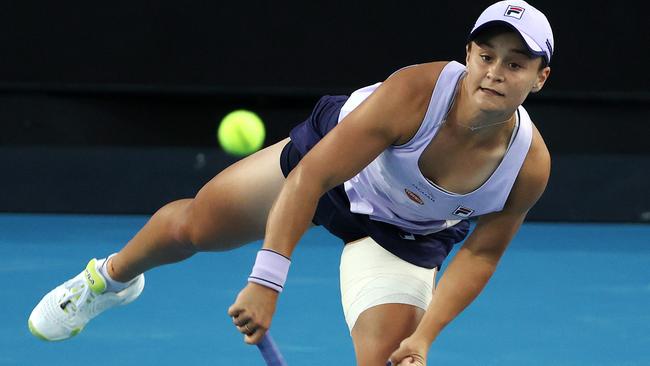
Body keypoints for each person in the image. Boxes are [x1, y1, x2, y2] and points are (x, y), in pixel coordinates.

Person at [28, 1, 554, 365]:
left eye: (515, 64)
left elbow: (482, 255)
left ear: (539, 78)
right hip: (328, 175)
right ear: (468, 55)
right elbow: (313, 175)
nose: (494, 73)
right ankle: (109, 279)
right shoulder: (414, 93)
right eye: (486, 57)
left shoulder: (527, 166)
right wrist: (266, 281)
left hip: (405, 237)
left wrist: (423, 337)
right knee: (194, 227)